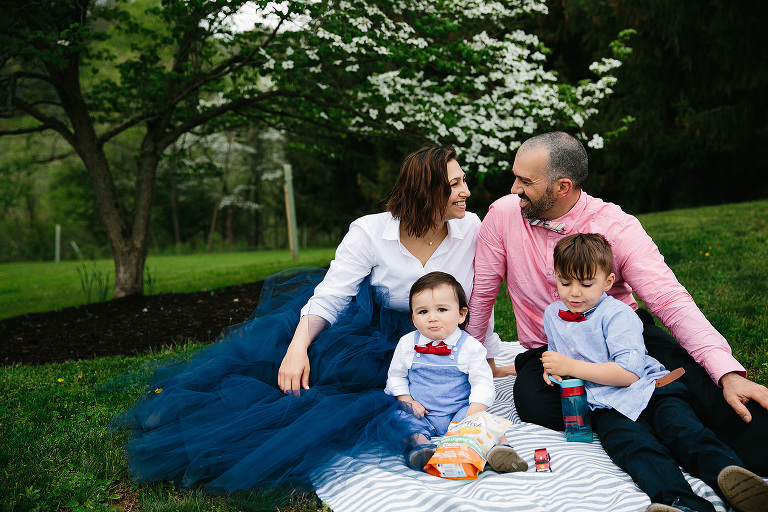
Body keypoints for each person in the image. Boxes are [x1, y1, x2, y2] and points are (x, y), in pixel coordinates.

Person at [109, 145, 500, 494]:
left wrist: (485, 352)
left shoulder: (470, 227)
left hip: (440, 334)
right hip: (374, 334)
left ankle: (427, 439)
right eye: (455, 184)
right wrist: (298, 347)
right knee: (330, 387)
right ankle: (411, 441)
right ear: (426, 191)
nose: (465, 191)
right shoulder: (370, 231)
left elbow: (480, 299)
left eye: (463, 182)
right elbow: (330, 295)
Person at [466, 131, 768, 475]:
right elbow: (483, 293)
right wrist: (472, 362)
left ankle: (736, 453)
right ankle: (656, 414)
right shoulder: (502, 216)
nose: (514, 188)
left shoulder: (618, 226)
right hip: (552, 349)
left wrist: (727, 372)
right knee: (533, 403)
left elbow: (669, 300)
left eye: (524, 181)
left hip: (621, 335)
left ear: (562, 187)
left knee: (700, 383)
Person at [542, 233, 768, 512]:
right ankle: (681, 503)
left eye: (587, 284)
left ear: (608, 282)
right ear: (556, 277)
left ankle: (737, 483)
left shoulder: (617, 315)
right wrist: (554, 368)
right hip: (606, 405)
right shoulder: (553, 314)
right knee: (636, 452)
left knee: (685, 433)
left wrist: (572, 367)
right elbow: (561, 354)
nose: (574, 292)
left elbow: (629, 373)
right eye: (565, 283)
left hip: (654, 390)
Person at [386, 271, 527, 473]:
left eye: (442, 309)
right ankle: (421, 449)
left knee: (483, 420)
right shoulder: (408, 343)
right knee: (400, 419)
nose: (432, 318)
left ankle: (499, 450)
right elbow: (396, 375)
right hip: (422, 410)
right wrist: (407, 399)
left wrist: (475, 409)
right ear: (414, 319)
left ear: (461, 314)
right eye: (423, 312)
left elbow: (482, 382)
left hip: (459, 411)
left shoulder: (469, 347)